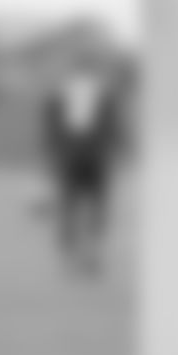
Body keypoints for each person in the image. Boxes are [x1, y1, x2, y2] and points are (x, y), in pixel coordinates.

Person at [39, 19, 131, 277]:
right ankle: (71, 257)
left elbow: (114, 125)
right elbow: (51, 126)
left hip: (94, 155)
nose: (84, 74)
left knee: (94, 205)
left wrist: (117, 149)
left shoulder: (104, 94)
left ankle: (91, 254)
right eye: (82, 68)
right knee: (71, 205)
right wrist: (52, 151)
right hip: (72, 154)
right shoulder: (60, 94)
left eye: (88, 68)